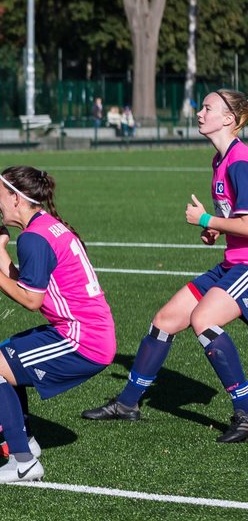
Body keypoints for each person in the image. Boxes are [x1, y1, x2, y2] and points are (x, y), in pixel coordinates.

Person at [83, 89, 248, 443]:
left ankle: (246, 412)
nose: (199, 113)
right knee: (164, 321)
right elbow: (233, 220)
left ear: (229, 119)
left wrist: (206, 217)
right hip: (231, 263)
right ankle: (127, 404)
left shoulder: (240, 160)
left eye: (207, 108)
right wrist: (213, 230)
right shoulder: (219, 160)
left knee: (203, 321)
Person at [0, 166, 116, 483]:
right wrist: (2, 256)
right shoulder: (45, 227)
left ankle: (23, 461)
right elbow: (33, 285)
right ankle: (25, 443)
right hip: (87, 331)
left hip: (83, 341)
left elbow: (30, 301)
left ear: (15, 197)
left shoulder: (34, 239)